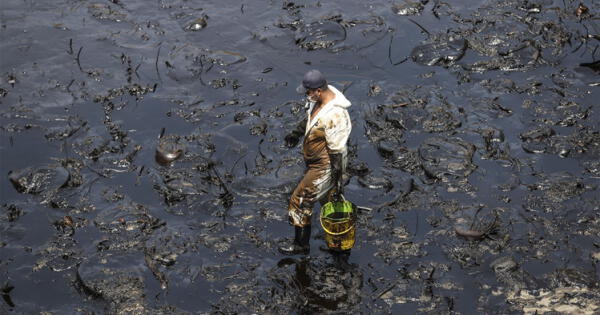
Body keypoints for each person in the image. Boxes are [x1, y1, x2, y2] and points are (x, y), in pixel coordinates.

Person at [279, 69, 352, 255]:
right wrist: (295, 133)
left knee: (300, 201)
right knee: (328, 200)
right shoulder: (319, 100)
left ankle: (300, 245)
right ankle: (337, 239)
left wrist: (337, 179)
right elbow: (311, 119)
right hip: (316, 163)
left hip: (325, 166)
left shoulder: (336, 116)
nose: (306, 95)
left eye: (308, 92)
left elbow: (337, 152)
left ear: (318, 91)